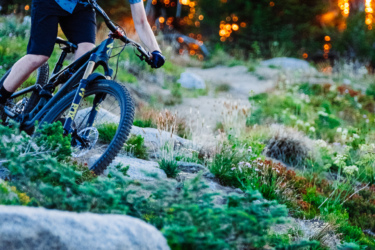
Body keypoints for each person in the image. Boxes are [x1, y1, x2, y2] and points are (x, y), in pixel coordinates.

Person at [0, 0, 165, 107]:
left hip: (82, 7)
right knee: (39, 56)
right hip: (50, 2)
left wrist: (155, 50)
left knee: (87, 56)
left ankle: (55, 109)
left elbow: (142, 22)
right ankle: (2, 97)